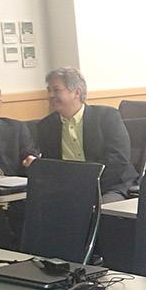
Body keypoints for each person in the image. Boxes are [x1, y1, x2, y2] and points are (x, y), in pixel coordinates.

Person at [34, 67, 137, 203]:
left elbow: (118, 159)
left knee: (95, 208)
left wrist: (88, 184)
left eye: (56, 90)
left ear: (77, 92)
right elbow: (51, 165)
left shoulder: (107, 117)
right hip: (69, 189)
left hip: (111, 185)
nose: (51, 95)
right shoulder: (46, 126)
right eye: (49, 90)